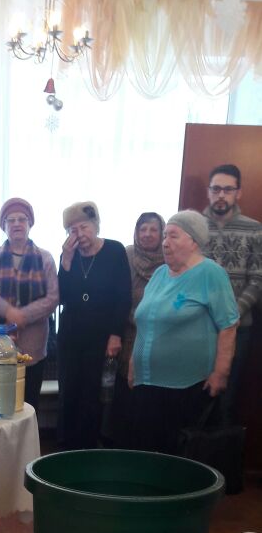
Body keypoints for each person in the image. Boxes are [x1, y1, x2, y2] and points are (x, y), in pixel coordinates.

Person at [127, 210, 239, 454]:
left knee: (177, 457)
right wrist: (134, 364)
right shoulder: (159, 274)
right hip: (147, 383)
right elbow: (145, 322)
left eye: (173, 236)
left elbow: (228, 325)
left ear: (194, 241)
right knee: (146, 452)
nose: (165, 242)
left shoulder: (210, 273)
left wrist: (221, 373)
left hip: (187, 389)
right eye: (165, 236)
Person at [57, 201, 131, 449]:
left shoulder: (114, 250)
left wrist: (116, 335)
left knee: (92, 396)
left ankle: (87, 448)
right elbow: (62, 296)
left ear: (96, 225)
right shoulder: (68, 255)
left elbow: (123, 297)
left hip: (101, 337)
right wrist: (66, 261)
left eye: (84, 227)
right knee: (69, 393)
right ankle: (66, 450)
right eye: (72, 230)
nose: (79, 234)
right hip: (70, 336)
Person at [0, 198, 58, 413]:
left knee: (27, 407)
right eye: (10, 220)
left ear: (30, 224)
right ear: (4, 226)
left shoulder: (45, 258)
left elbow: (52, 298)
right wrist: (8, 311)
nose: (17, 224)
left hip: (32, 351)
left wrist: (23, 315)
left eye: (22, 219)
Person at [203, 163, 262, 424]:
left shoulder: (255, 229)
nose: (221, 195)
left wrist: (231, 315)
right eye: (216, 189)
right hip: (199, 326)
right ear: (208, 191)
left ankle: (219, 451)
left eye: (227, 190)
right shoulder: (195, 227)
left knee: (226, 401)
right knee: (194, 397)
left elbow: (258, 279)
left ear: (238, 193)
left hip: (239, 327)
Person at [112, 212, 165, 446]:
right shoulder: (127, 255)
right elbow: (116, 293)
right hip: (127, 334)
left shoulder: (170, 259)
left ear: (162, 233)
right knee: (126, 395)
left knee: (151, 397)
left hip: (159, 337)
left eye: (153, 229)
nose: (147, 234)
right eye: (143, 229)